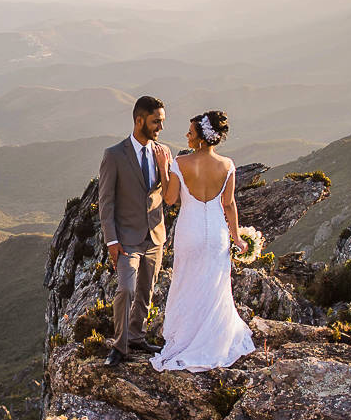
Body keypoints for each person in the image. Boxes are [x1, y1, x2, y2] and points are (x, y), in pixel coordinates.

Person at [150, 110, 255, 372]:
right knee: (215, 285)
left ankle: (187, 338)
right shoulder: (227, 165)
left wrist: (165, 168)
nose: (186, 135)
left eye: (190, 132)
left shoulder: (181, 163)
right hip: (217, 232)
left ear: (200, 138)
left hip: (190, 231)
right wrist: (237, 237)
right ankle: (213, 337)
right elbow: (228, 204)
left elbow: (170, 199)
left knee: (187, 280)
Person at [97, 96, 170, 366]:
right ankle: (119, 345)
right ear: (139, 120)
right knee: (126, 289)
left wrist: (165, 169)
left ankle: (137, 336)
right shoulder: (114, 154)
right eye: (156, 121)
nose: (160, 127)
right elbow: (106, 201)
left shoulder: (163, 152)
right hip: (126, 238)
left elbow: (168, 192)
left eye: (162, 121)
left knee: (146, 290)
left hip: (155, 235)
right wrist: (111, 240)